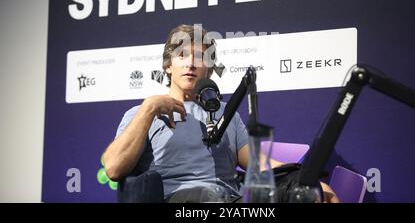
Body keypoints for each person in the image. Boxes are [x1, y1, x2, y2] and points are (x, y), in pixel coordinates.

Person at [103, 24, 339, 203]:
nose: (191, 64)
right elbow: (113, 168)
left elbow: (256, 165)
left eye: (200, 58)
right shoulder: (141, 112)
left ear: (210, 68)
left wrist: (304, 180)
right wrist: (149, 108)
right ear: (168, 65)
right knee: (207, 194)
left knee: (312, 192)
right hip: (181, 199)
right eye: (182, 56)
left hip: (230, 200)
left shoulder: (227, 112)